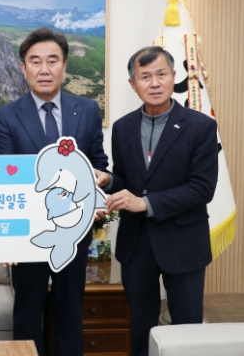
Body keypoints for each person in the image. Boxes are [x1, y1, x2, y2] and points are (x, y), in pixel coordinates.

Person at [0, 27, 109, 356]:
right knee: (27, 315)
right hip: (27, 235)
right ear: (23, 67)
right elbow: (4, 180)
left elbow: (99, 164)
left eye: (52, 61)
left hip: (74, 231)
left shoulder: (87, 109)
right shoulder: (7, 116)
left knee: (70, 312)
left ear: (64, 65)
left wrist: (103, 180)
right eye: (35, 61)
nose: (44, 69)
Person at [101, 46, 218, 356]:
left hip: (184, 241)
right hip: (136, 242)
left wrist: (147, 204)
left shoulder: (201, 126)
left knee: (186, 329)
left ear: (173, 77)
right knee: (140, 327)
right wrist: (109, 181)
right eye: (145, 77)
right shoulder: (123, 127)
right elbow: (127, 180)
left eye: (161, 74)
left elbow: (202, 188)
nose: (154, 83)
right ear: (133, 84)